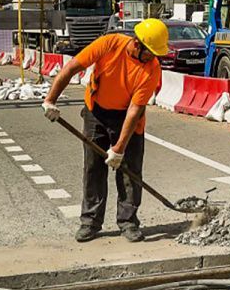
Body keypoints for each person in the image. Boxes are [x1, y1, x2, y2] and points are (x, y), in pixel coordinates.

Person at [42, 19, 167, 243]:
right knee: (93, 169)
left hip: (128, 118)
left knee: (130, 171)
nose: (153, 57)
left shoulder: (152, 68)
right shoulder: (109, 44)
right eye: (150, 52)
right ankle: (90, 222)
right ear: (137, 45)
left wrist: (118, 148)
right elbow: (72, 68)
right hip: (96, 112)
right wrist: (51, 100)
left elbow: (135, 109)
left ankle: (128, 222)